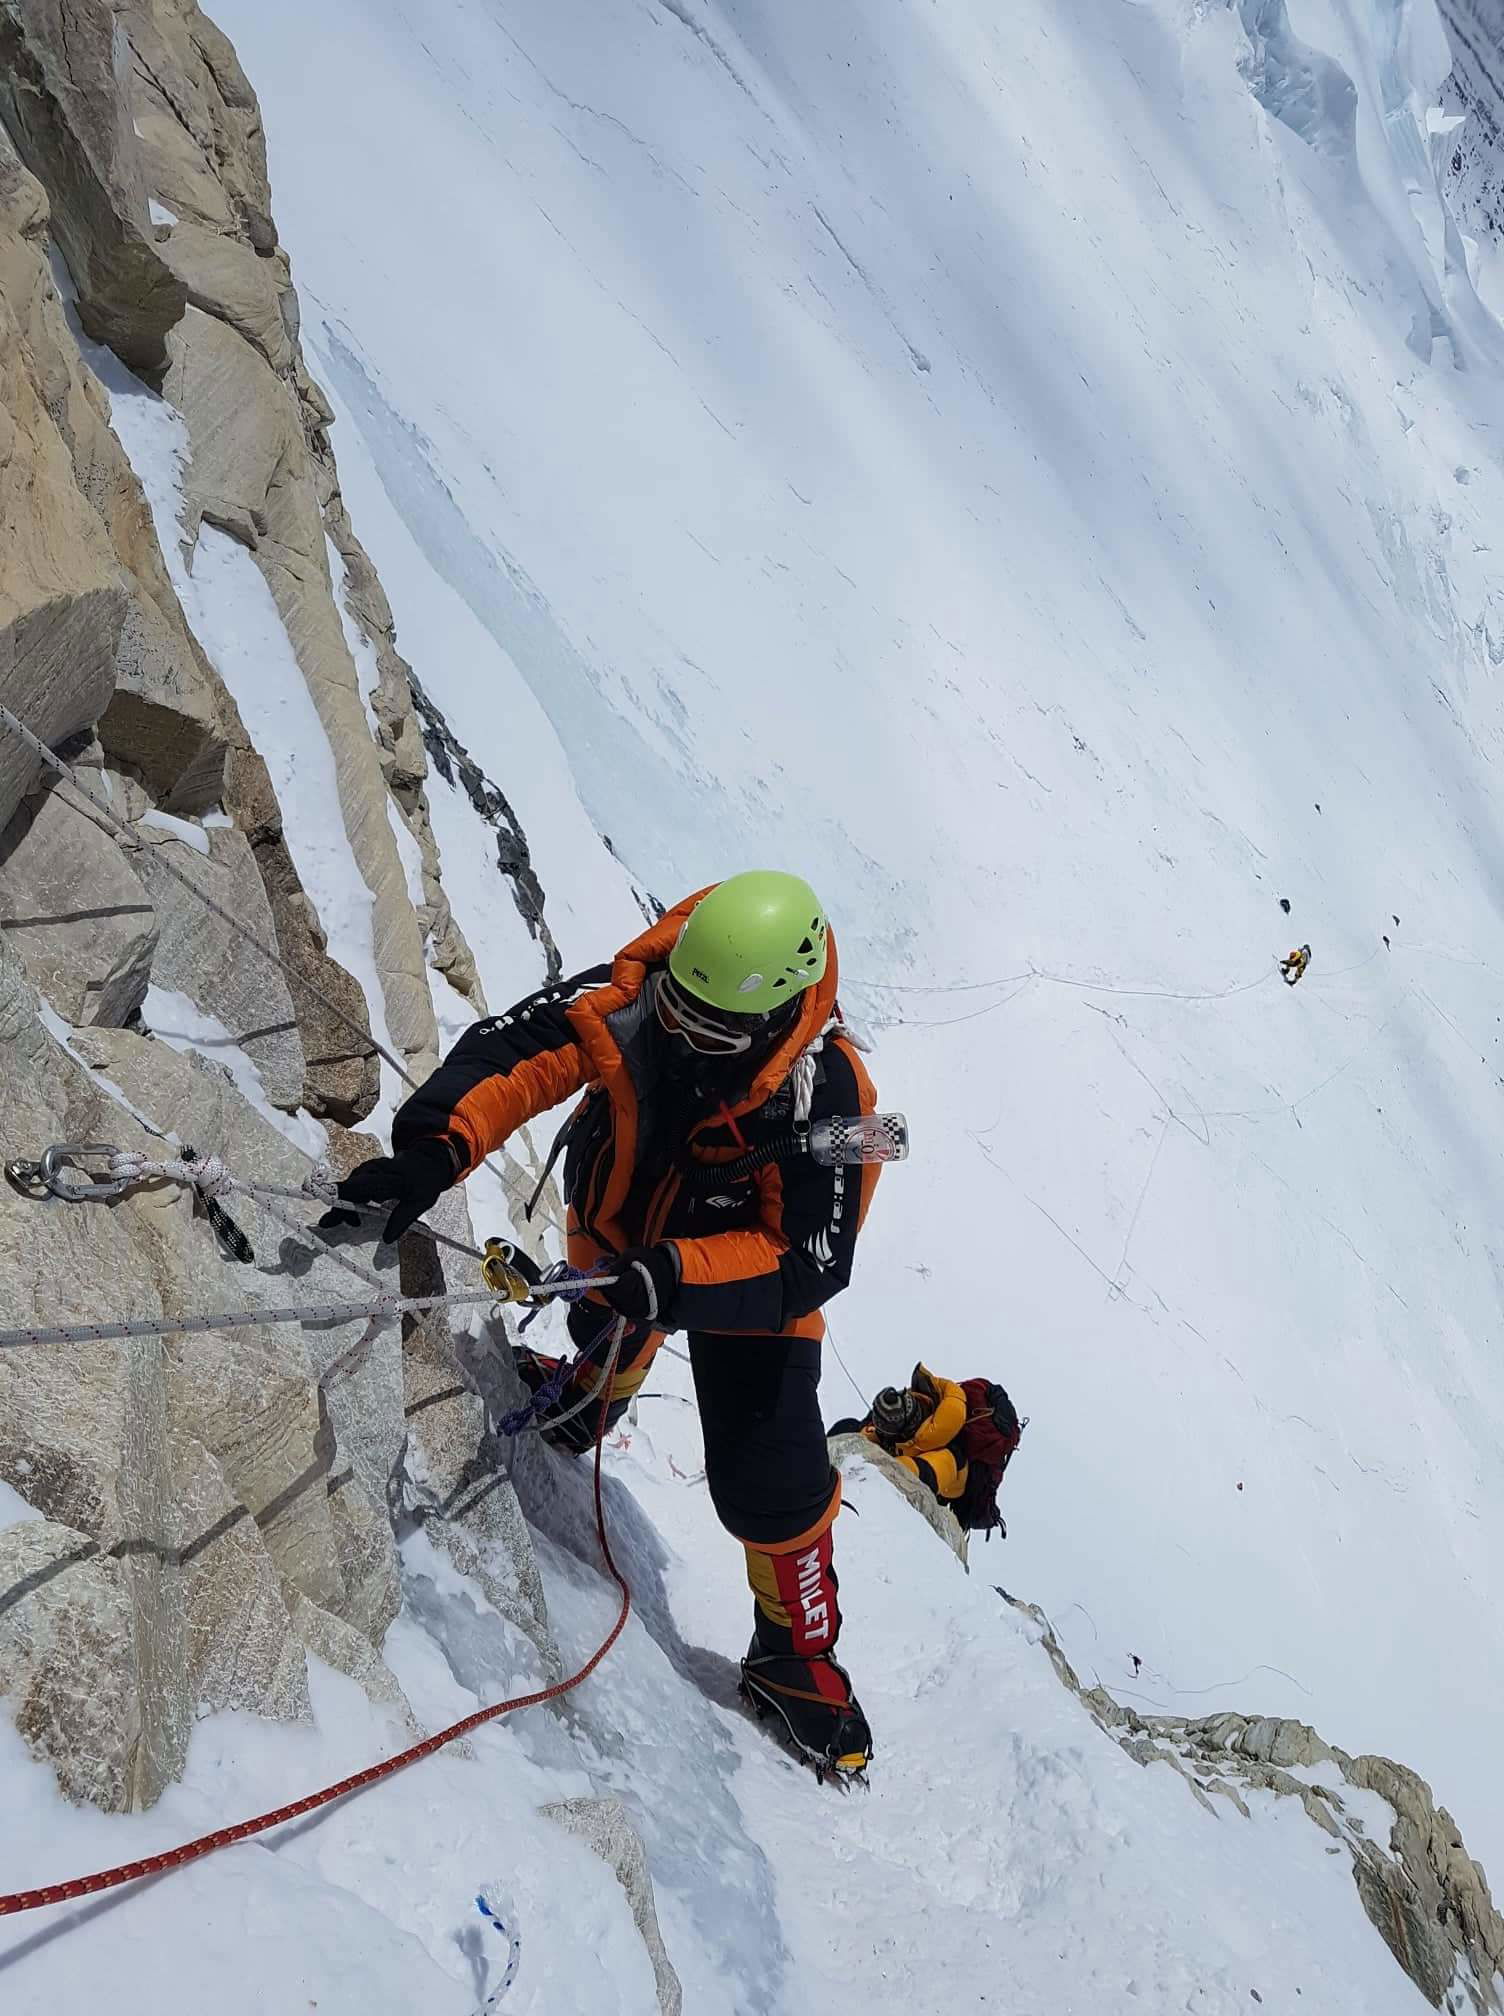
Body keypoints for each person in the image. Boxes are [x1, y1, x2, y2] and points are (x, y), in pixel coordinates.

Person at [327, 871, 883, 1779]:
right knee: (604, 1316)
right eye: (677, 1008)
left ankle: (798, 1654)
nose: (681, 1036)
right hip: (629, 1225)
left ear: (780, 1019)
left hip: (745, 1272)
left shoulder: (838, 1103)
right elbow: (519, 1053)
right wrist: (436, 1148)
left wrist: (671, 1278)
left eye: (713, 1029)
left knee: (767, 1476)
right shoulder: (639, 995)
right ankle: (593, 1391)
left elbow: (808, 1260)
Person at [833, 1365, 1023, 1536]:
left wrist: (866, 1466)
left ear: (907, 1429)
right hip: (906, 1449)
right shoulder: (925, 1401)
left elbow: (912, 1474)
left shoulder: (950, 1458)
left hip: (930, 1496)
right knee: (849, 1427)